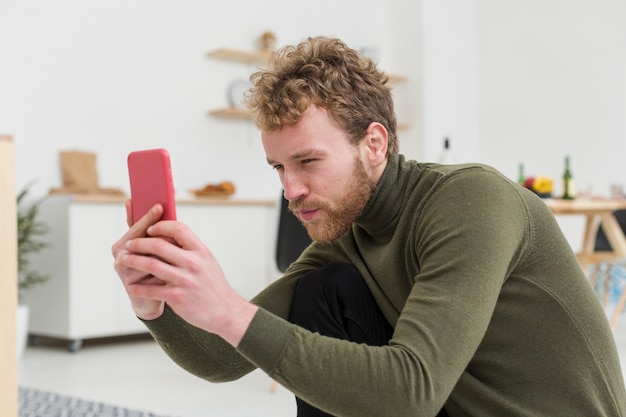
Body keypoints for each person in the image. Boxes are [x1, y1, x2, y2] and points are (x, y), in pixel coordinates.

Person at [112, 36, 626, 417]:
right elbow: (221, 360)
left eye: (308, 161)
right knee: (321, 292)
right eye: (278, 168)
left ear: (374, 144)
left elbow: (413, 390)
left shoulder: (472, 199)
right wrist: (156, 306)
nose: (290, 189)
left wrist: (229, 308)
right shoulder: (346, 233)